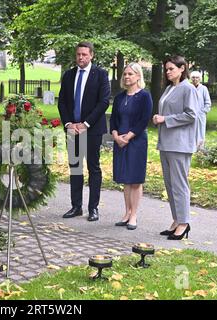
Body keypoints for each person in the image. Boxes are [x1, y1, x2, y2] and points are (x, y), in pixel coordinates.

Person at [58, 41, 110, 222]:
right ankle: (76, 206)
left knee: (93, 168)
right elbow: (62, 102)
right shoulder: (69, 75)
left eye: (84, 55)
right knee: (75, 168)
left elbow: (103, 102)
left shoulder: (101, 75)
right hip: (72, 130)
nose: (81, 57)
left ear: (91, 55)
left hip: (92, 129)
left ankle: (93, 208)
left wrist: (86, 124)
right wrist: (68, 124)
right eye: (78, 54)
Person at [152, 55, 198, 240]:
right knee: (170, 185)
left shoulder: (188, 89)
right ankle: (176, 219)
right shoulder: (170, 88)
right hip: (166, 142)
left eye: (171, 68)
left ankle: (184, 223)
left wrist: (166, 119)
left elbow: (191, 115)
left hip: (179, 145)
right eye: (166, 69)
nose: (167, 72)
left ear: (182, 68)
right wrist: (158, 118)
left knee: (179, 185)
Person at [110, 63, 152, 230]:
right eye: (125, 74)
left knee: (135, 180)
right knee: (125, 180)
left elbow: (144, 119)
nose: (127, 77)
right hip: (119, 140)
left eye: (130, 74)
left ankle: (134, 214)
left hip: (136, 141)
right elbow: (113, 118)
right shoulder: (120, 97)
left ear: (138, 76)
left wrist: (129, 136)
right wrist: (115, 135)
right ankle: (127, 213)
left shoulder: (144, 96)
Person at [190, 71, 211, 151]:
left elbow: (208, 102)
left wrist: (203, 112)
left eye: (197, 77)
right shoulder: (189, 87)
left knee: (200, 131)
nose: (195, 79)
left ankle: (200, 148)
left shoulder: (203, 89)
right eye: (193, 77)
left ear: (200, 79)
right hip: (190, 114)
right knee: (190, 130)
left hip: (200, 115)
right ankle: (191, 147)